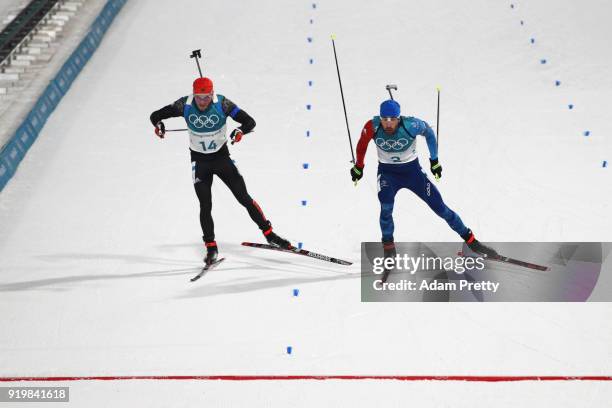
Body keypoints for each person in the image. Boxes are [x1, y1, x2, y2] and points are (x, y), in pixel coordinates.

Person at [149, 77, 292, 265]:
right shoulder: (184, 104)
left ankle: (270, 234)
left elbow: (250, 121)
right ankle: (211, 247)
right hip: (200, 163)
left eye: (206, 97)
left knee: (244, 198)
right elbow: (155, 115)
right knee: (205, 205)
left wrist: (241, 131)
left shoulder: (222, 103)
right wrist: (158, 125)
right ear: (194, 94)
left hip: (222, 159)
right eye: (199, 97)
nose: (202, 102)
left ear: (212, 93)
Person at [350, 99, 496, 258]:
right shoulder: (372, 126)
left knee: (440, 208)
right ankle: (389, 249)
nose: (388, 124)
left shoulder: (411, 125)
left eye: (392, 119)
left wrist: (434, 160)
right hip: (387, 174)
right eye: (385, 119)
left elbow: (429, 133)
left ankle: (472, 241)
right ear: (380, 118)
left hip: (413, 173)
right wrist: (359, 166)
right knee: (386, 207)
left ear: (399, 118)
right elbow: (362, 145)